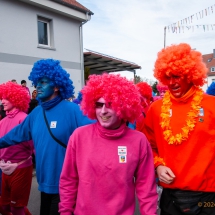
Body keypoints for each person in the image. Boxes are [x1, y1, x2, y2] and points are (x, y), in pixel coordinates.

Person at [0, 59, 94, 215]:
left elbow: (98, 133)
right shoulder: (36, 113)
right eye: (37, 82)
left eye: (43, 82)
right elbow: (15, 135)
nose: (38, 86)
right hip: (44, 183)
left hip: (67, 185)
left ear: (56, 86)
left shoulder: (73, 110)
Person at [59, 73, 157, 215]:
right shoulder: (79, 136)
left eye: (110, 104)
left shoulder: (138, 140)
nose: (103, 111)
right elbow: (68, 180)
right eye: (99, 104)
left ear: (123, 105)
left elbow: (146, 187)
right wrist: (65, 212)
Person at [144, 43, 215, 215]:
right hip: (171, 197)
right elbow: (147, 146)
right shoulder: (156, 108)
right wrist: (158, 166)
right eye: (167, 77)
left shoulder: (212, 105)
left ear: (190, 74)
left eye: (177, 76)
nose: (172, 83)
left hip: (208, 199)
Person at [0, 82, 33, 215]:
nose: (2, 101)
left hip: (21, 167)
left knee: (17, 207)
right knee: (4, 207)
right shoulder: (2, 121)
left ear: (15, 98)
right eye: (2, 98)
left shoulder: (24, 119)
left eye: (6, 98)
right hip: (3, 168)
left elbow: (33, 145)